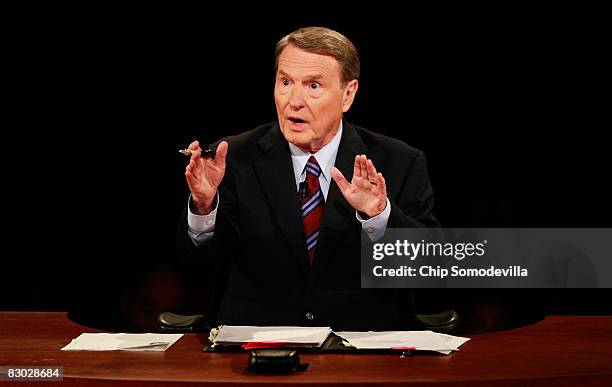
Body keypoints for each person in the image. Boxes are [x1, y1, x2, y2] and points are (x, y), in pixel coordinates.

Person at [176, 27, 439, 331]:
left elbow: (428, 271)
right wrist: (204, 207)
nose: (294, 101)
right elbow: (197, 266)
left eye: (313, 85)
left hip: (364, 354)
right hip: (255, 353)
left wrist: (379, 217)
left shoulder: (398, 162)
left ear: (348, 94)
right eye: (285, 82)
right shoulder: (232, 158)